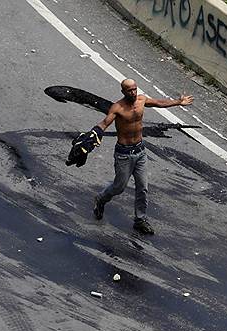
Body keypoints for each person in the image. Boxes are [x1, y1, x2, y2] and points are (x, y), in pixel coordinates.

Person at [70, 78, 193, 235]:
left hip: (140, 151)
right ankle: (100, 199)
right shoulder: (118, 108)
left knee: (143, 187)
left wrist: (178, 102)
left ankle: (140, 220)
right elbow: (104, 123)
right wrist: (92, 134)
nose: (133, 92)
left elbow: (158, 103)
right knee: (119, 187)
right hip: (124, 154)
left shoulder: (141, 100)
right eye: (130, 90)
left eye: (135, 89)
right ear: (123, 92)